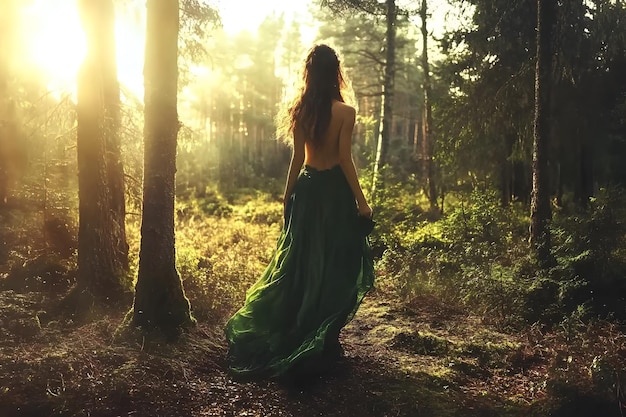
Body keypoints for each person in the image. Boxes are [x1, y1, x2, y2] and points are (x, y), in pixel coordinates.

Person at [224, 44, 375, 379]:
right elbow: (345, 160)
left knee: (301, 261)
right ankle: (323, 337)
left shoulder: (301, 109)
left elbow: (297, 159)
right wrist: (361, 202)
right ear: (336, 71)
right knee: (333, 261)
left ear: (309, 73)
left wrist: (287, 194)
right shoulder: (346, 112)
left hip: (307, 191)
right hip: (334, 193)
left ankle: (306, 330)